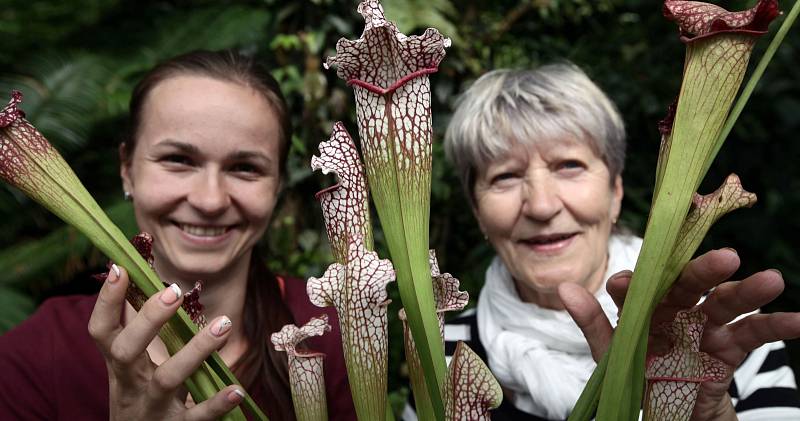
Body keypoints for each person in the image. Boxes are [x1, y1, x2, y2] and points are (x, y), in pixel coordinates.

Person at [404, 63, 800, 420]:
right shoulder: (441, 353)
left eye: (569, 166)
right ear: (477, 212)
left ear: (615, 191)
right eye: (504, 176)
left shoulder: (718, 329)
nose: (541, 206)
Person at [0, 50, 356, 420]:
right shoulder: (34, 358)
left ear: (278, 185)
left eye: (245, 167)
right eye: (178, 160)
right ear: (127, 170)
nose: (210, 200)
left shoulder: (332, 333)